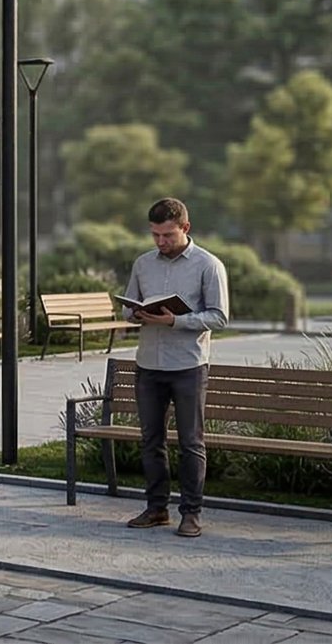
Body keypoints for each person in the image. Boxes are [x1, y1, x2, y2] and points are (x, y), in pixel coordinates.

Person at [120, 197, 229, 538]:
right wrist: (135, 313)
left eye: (167, 235)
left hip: (188, 366)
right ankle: (156, 509)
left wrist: (175, 321)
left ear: (185, 228)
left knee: (190, 442)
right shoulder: (143, 264)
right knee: (150, 440)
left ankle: (191, 513)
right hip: (148, 364)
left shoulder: (208, 265)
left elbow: (219, 317)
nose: (160, 242)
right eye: (155, 235)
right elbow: (127, 308)